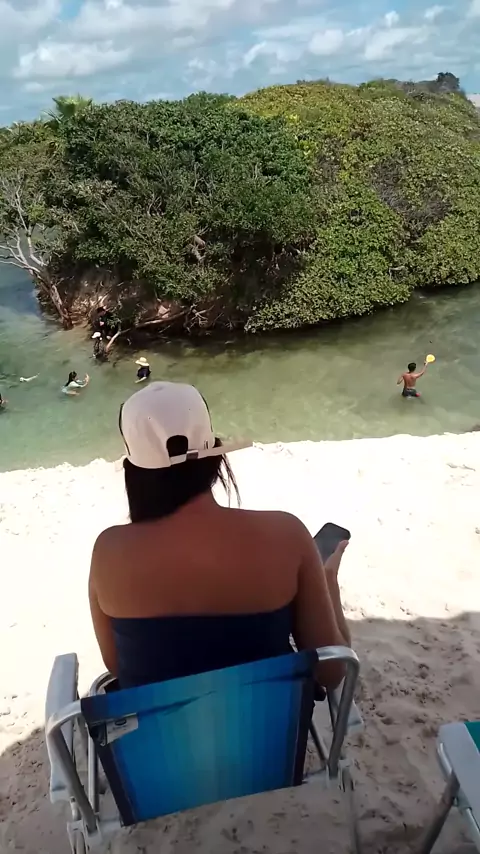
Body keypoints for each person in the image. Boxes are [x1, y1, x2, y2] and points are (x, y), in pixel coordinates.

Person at [88, 381, 351, 691]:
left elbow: (118, 665)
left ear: (134, 469)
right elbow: (332, 671)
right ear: (214, 455)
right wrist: (328, 582)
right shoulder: (286, 535)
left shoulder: (109, 552)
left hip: (159, 724)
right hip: (263, 722)